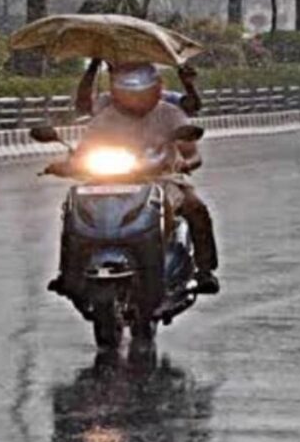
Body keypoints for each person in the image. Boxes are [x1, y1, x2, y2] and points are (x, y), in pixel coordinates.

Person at [49, 62, 220, 295]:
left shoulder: (171, 113)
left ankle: (204, 270)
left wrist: (185, 163)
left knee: (195, 207)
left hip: (162, 178)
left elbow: (193, 154)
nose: (135, 97)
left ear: (156, 88)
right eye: (128, 90)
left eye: (141, 89)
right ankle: (69, 272)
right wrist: (68, 165)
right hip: (109, 179)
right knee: (73, 208)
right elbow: (84, 150)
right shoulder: (105, 116)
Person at [75, 58, 202, 117]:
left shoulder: (163, 98)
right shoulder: (109, 100)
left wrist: (188, 85)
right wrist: (93, 66)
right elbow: (83, 107)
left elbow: (193, 106)